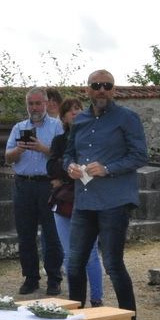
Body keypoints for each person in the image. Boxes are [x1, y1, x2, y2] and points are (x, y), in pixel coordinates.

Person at [64, 69, 148, 320]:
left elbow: (140, 156)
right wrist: (69, 167)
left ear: (114, 90)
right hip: (85, 201)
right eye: (96, 85)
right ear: (87, 90)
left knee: (112, 264)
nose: (101, 90)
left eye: (107, 86)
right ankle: (76, 318)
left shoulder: (128, 118)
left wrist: (108, 169)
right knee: (75, 263)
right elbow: (68, 153)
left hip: (114, 201)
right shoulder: (79, 120)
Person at [6, 88, 65, 295]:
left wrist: (43, 148)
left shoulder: (57, 127)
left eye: (38, 103)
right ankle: (30, 278)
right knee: (25, 234)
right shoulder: (19, 127)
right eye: (31, 104)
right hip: (23, 185)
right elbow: (7, 157)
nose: (34, 108)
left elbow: (62, 156)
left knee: (52, 234)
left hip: (47, 185)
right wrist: (18, 150)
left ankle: (54, 279)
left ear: (46, 103)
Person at [47, 98, 104, 306]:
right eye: (70, 111)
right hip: (65, 202)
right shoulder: (59, 142)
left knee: (90, 254)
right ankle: (76, 300)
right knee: (70, 255)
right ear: (63, 117)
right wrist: (69, 170)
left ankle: (97, 299)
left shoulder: (95, 138)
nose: (76, 113)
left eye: (79, 109)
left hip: (90, 199)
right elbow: (51, 169)